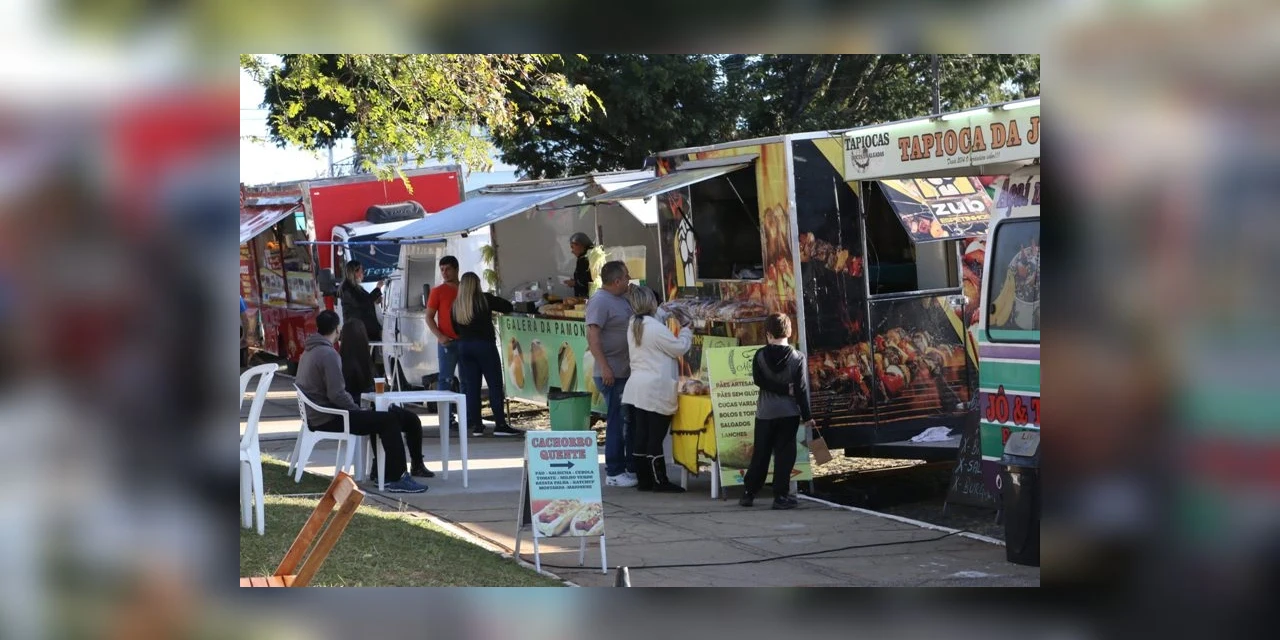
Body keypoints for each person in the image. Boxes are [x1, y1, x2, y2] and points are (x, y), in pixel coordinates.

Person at [295, 310, 427, 493]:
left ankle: (386, 471)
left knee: (382, 418)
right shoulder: (328, 354)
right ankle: (396, 477)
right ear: (336, 329)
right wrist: (357, 410)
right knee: (388, 421)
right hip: (330, 417)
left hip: (320, 415)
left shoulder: (309, 351)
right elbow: (337, 394)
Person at [338, 318, 434, 480]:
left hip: (374, 404)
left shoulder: (361, 360)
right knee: (388, 422)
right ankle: (384, 467)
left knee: (412, 420)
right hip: (361, 408)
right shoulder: (344, 362)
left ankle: (416, 464)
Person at [620, 285, 692, 492]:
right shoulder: (653, 327)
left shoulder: (635, 322)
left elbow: (655, 317)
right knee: (656, 437)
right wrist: (687, 328)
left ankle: (644, 480)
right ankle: (660, 481)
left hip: (637, 387)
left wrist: (667, 310)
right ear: (652, 303)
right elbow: (679, 347)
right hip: (656, 388)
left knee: (641, 434)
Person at [740, 313, 813, 510]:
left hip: (764, 413)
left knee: (760, 454)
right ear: (790, 332)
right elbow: (801, 389)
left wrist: (778, 388)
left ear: (768, 334)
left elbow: (758, 381)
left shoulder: (760, 355)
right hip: (789, 414)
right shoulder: (798, 357)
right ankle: (780, 496)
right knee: (784, 455)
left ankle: (749, 493)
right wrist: (807, 416)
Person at [450, 272, 523, 437]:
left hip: (464, 347)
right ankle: (500, 424)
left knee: (471, 387)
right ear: (476, 284)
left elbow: (454, 329)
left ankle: (477, 426)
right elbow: (507, 306)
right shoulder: (485, 300)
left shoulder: (456, 305)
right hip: (484, 345)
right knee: (494, 385)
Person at [587, 260, 637, 487]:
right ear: (617, 281)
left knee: (627, 420)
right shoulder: (600, 301)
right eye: (627, 276)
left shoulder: (621, 298)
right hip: (611, 372)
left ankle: (628, 467)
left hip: (624, 371)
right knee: (616, 420)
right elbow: (593, 337)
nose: (629, 280)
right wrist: (605, 366)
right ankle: (614, 471)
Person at [425, 255, 462, 434]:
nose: (445, 273)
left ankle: (468, 417)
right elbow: (429, 316)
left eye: (447, 269)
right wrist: (440, 336)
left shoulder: (465, 288)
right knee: (445, 380)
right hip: (447, 341)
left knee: (468, 380)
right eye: (442, 270)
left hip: (465, 341)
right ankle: (447, 420)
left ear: (456, 269)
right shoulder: (437, 291)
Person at [340, 259, 384, 342]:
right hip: (359, 332)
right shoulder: (348, 289)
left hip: (364, 331)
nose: (363, 273)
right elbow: (363, 303)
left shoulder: (356, 288)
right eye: (361, 270)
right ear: (355, 273)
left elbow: (366, 301)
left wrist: (375, 300)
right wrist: (377, 289)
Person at [562, 232, 594, 297]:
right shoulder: (590, 255)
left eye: (572, 247)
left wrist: (574, 283)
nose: (572, 251)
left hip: (588, 298)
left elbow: (589, 281)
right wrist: (575, 281)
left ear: (580, 245)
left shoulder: (585, 259)